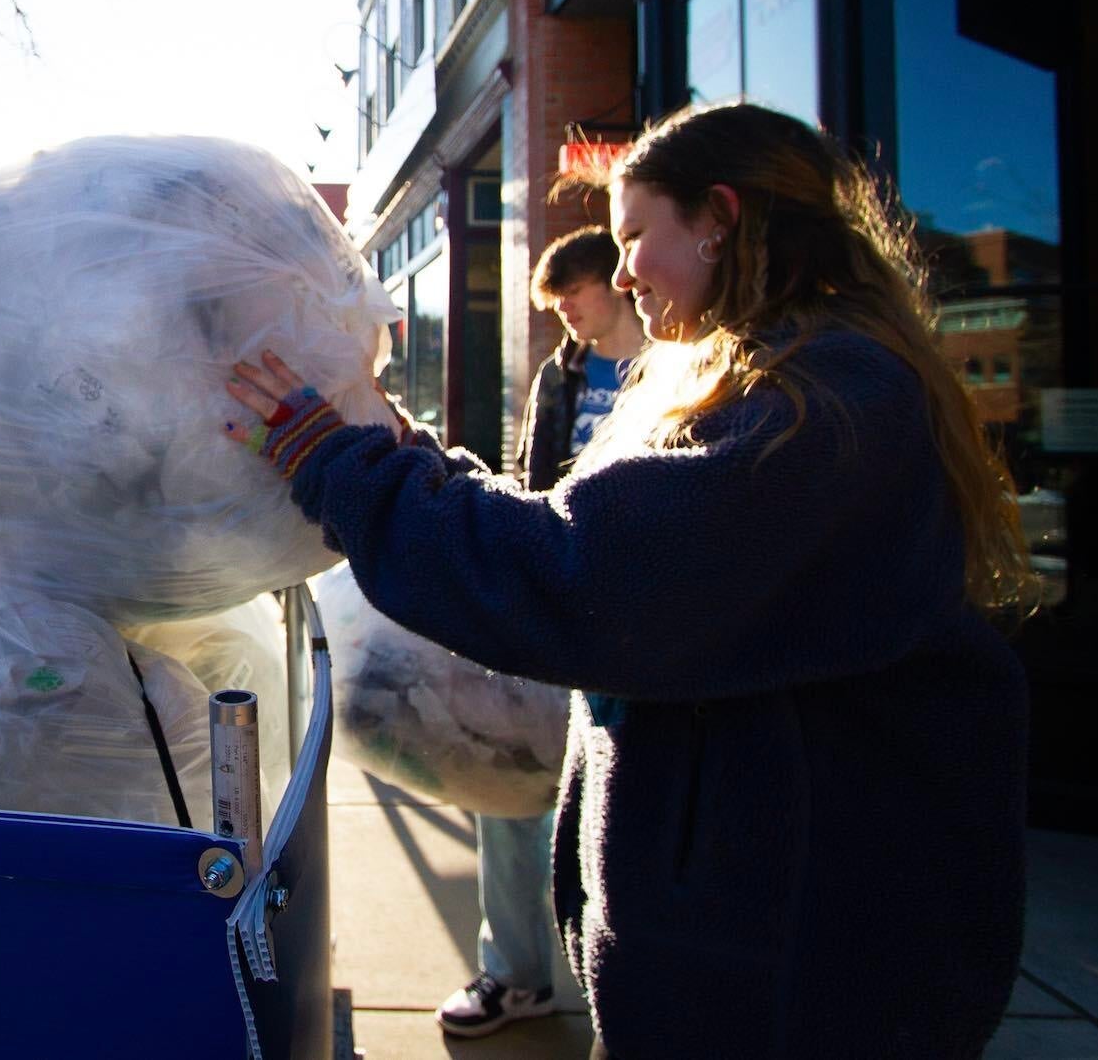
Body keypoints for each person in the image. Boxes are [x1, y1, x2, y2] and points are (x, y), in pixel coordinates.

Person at [227, 103, 1030, 1059]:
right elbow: (596, 535)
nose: (620, 275)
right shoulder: (793, 381)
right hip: (760, 954)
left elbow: (591, 578)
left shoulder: (826, 406)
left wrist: (344, 466)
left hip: (794, 977)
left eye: (636, 237)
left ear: (719, 219)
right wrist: (411, 464)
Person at [436, 225, 647, 1039]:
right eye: (554, 306)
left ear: (613, 283)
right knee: (506, 783)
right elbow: (533, 483)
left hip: (646, 625)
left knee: (625, 805)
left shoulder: (681, 366)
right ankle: (516, 975)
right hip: (562, 605)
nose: (566, 317)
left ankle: (625, 992)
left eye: (574, 298)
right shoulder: (559, 376)